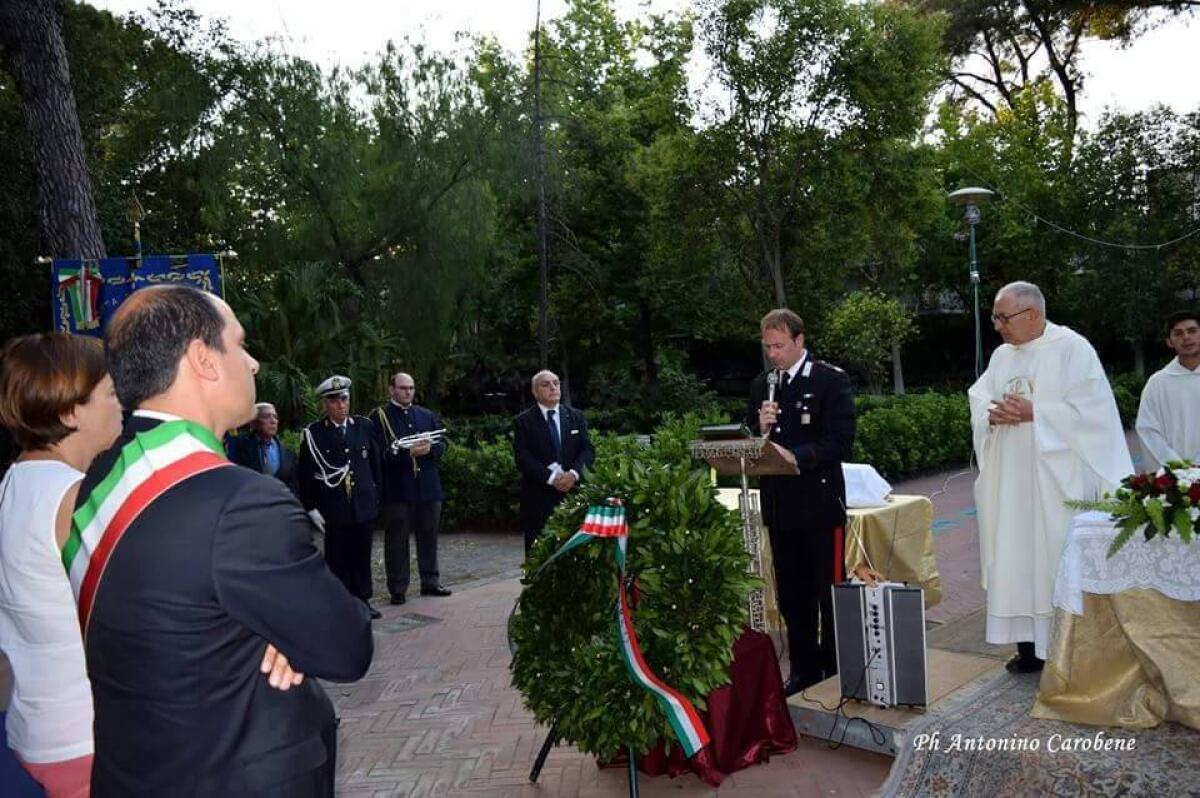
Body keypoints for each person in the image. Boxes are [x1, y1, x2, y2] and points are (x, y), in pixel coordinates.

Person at [74, 285, 373, 795]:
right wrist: (288, 630)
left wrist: (276, 627)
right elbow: (348, 647)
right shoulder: (241, 504)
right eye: (239, 344)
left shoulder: (100, 478)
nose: (253, 363)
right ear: (202, 360)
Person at [969, 281, 1131, 673]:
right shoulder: (1002, 357)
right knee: (1018, 558)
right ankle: (1029, 646)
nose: (998, 326)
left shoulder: (1072, 349)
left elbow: (1096, 415)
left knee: (1052, 558)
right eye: (995, 318)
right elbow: (981, 398)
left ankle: (1065, 647)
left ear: (1033, 314)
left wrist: (1035, 412)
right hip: (1011, 483)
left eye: (1003, 318)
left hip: (1058, 484)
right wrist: (990, 414)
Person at [0, 333, 122, 797]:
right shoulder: (75, 500)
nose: (120, 405)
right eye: (109, 393)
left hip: (37, 731)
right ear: (71, 412)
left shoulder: (14, 486)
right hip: (87, 740)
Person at [746, 309, 856, 696]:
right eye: (767, 347)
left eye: (779, 346)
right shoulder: (763, 385)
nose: (773, 354)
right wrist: (758, 428)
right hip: (780, 506)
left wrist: (800, 456)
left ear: (799, 340)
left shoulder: (829, 380)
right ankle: (804, 667)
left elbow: (840, 441)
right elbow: (749, 443)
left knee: (828, 590)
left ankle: (837, 666)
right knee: (793, 595)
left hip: (819, 505)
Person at [298, 375, 384, 619]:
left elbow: (376, 465)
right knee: (338, 558)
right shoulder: (314, 434)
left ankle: (363, 599)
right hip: (334, 509)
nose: (341, 405)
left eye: (344, 399)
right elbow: (306, 474)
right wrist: (311, 507)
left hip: (362, 504)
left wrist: (378, 495)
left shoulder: (364, 427)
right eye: (334, 401)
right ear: (325, 404)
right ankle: (341, 604)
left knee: (362, 554)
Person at [369, 373, 451, 605]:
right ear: (391, 390)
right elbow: (380, 453)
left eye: (411, 388)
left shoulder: (426, 415)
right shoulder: (380, 417)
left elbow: (442, 444)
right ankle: (398, 588)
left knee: (429, 537)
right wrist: (408, 454)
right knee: (397, 541)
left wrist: (430, 450)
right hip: (398, 490)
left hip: (427, 487)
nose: (408, 392)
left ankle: (430, 581)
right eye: (403, 388)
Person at [513, 370, 595, 554]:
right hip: (539, 498)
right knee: (540, 554)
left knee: (575, 554)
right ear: (535, 392)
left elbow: (587, 450)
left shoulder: (576, 416)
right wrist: (553, 478)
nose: (553, 387)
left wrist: (573, 475)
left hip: (574, 496)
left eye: (556, 383)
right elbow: (522, 458)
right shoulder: (523, 421)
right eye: (546, 384)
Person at [1136, 310, 1200, 471]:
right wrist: (1178, 468)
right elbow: (1147, 429)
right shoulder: (1157, 383)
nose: (1186, 337)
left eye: (1192, 331)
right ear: (1169, 342)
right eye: (1178, 333)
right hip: (1174, 478)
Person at [227, 402, 300, 496]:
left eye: (275, 417)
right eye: (267, 416)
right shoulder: (238, 445)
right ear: (253, 422)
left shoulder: (288, 453)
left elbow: (294, 486)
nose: (273, 421)